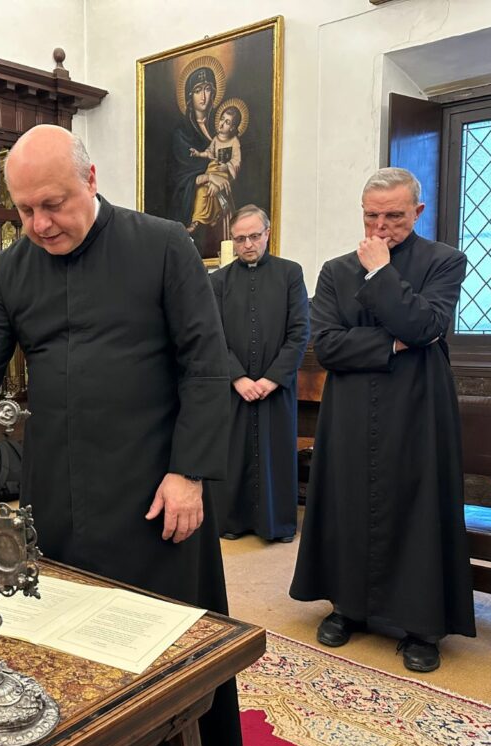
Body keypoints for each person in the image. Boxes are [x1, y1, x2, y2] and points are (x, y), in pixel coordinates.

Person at [0, 125, 241, 746]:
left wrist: (190, 473)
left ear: (90, 180)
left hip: (154, 485)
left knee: (154, 654)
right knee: (60, 646)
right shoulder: (10, 267)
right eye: (24, 209)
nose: (39, 223)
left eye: (52, 204)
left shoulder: (164, 245)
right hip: (56, 487)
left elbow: (206, 365)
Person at [289, 167, 475, 673]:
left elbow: (426, 323)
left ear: (417, 212)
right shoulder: (333, 269)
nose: (381, 227)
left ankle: (421, 627)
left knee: (417, 508)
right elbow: (326, 346)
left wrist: (379, 274)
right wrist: (394, 343)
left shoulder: (444, 261)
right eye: (372, 216)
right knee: (350, 501)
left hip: (418, 409)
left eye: (394, 216)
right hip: (351, 411)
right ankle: (347, 608)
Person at [209, 205, 308, 542]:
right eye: (240, 238)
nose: (247, 244)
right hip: (233, 386)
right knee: (234, 453)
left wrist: (271, 379)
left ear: (267, 233)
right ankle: (233, 521)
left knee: (275, 452)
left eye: (254, 236)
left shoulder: (290, 274)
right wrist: (237, 377)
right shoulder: (218, 281)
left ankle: (276, 525)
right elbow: (213, 336)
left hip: (276, 386)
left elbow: (299, 332)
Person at [168, 63, 225, 259]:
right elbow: (181, 177)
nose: (203, 96)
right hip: (193, 197)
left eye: (208, 89)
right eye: (198, 90)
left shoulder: (221, 127)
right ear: (189, 97)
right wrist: (208, 178)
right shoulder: (182, 133)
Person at [187, 105, 243, 240]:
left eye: (227, 122)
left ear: (233, 128)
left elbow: (237, 161)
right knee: (202, 192)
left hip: (223, 174)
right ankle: (197, 220)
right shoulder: (216, 139)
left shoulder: (234, 142)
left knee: (214, 192)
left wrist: (227, 166)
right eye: (222, 119)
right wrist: (199, 154)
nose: (222, 124)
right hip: (212, 170)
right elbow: (209, 152)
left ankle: (215, 213)